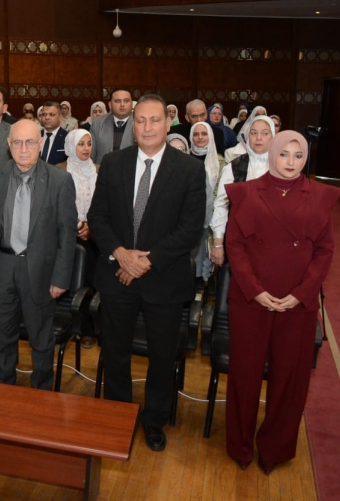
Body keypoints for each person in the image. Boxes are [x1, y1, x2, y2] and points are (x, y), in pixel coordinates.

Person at [86, 94, 206, 452]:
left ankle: (154, 420)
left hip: (164, 280)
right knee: (115, 352)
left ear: (168, 123)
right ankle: (117, 416)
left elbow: (190, 229)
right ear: (133, 125)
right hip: (117, 275)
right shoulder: (113, 163)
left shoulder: (189, 169)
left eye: (155, 120)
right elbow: (97, 217)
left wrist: (143, 263)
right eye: (141, 121)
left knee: (162, 357)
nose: (148, 127)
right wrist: (122, 255)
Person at [224, 130, 340, 473]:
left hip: (297, 304)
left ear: (306, 158)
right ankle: (239, 445)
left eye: (298, 155)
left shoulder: (320, 196)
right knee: (244, 375)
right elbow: (235, 246)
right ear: (272, 154)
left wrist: (300, 294)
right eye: (284, 154)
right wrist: (254, 289)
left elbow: (325, 251)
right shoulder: (247, 192)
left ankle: (274, 449)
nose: (291, 162)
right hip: (251, 299)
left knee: (290, 380)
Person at [0, 120, 76, 390]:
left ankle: (41, 390)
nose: (23, 149)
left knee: (41, 337)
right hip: (1, 266)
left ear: (40, 144)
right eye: (17, 142)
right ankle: (4, 386)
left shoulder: (60, 180)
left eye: (30, 142)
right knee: (3, 333)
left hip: (40, 270)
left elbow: (67, 236)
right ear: (9, 145)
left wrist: (61, 279)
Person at [210, 115, 276, 266]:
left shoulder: (281, 167)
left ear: (273, 136)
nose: (259, 138)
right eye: (253, 133)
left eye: (265, 133)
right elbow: (221, 205)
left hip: (274, 240)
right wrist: (218, 244)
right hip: (240, 240)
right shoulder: (233, 167)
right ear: (247, 136)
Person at [56, 128, 101, 349]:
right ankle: (63, 324)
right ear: (71, 146)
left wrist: (91, 227)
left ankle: (87, 330)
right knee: (64, 281)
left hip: (93, 236)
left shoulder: (99, 170)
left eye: (88, 144)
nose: (86, 148)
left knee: (90, 283)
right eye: (80, 144)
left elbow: (105, 204)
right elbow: (55, 205)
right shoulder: (58, 170)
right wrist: (76, 225)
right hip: (65, 235)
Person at [189, 122, 222, 281]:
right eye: (196, 134)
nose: (200, 137)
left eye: (204, 134)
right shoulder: (185, 159)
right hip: (190, 216)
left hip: (213, 216)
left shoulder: (220, 161)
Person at [90, 88, 134, 162]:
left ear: (131, 104)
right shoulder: (97, 123)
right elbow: (91, 155)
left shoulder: (141, 123)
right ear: (110, 105)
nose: (122, 105)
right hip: (102, 168)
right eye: (117, 101)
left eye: (126, 101)